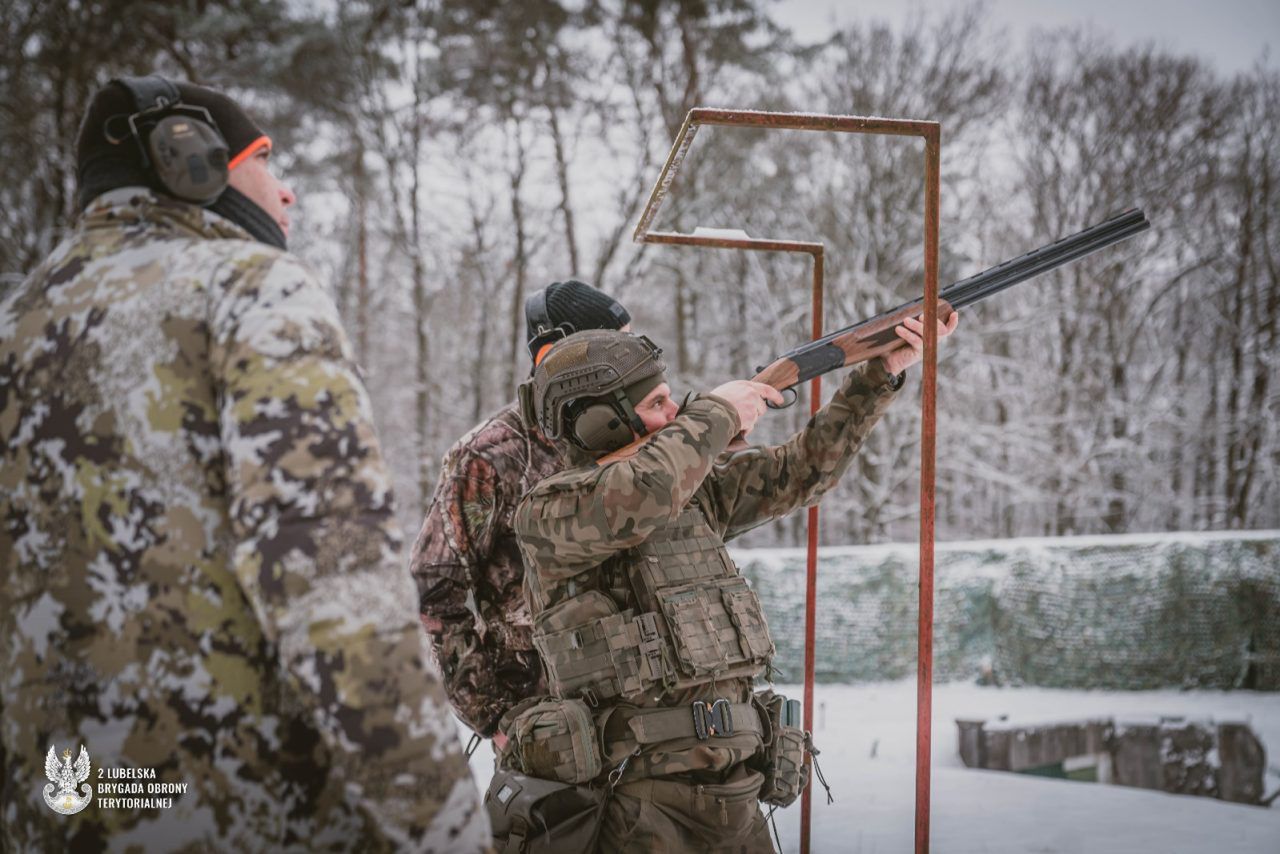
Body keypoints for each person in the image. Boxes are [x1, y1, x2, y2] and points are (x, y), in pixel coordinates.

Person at [0, 75, 488, 851]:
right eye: (266, 161)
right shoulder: (250, 288)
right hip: (241, 813)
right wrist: (445, 825)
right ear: (185, 158)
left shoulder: (19, 321)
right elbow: (336, 590)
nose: (286, 192)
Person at [502, 312, 957, 851]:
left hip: (737, 792)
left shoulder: (694, 491)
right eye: (657, 405)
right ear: (600, 423)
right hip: (637, 801)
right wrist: (718, 414)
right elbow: (641, 493)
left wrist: (877, 375)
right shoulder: (549, 512)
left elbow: (803, 470)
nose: (674, 413)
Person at [409, 280, 632, 743]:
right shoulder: (489, 455)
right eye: (617, 345)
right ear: (562, 354)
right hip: (544, 724)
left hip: (635, 710)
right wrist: (495, 718)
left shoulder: (632, 437)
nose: (632, 360)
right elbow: (432, 591)